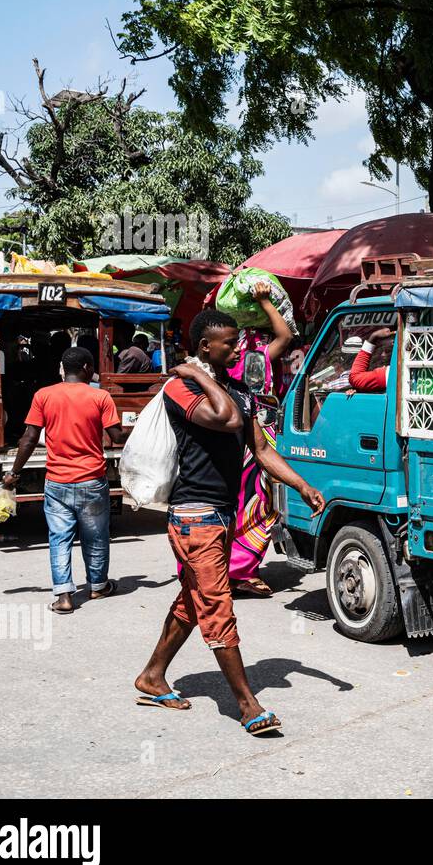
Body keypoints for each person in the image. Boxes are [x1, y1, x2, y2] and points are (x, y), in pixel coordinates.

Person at [135, 309, 325, 735]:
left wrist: (302, 485)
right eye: (228, 341)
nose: (237, 346)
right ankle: (248, 705)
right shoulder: (181, 387)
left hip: (223, 514)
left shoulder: (238, 390)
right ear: (205, 346)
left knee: (193, 600)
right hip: (194, 515)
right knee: (217, 607)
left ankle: (152, 675)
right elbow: (226, 420)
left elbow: (260, 449)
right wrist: (201, 376)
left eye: (237, 338)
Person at [3, 347, 126, 614]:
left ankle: (64, 596)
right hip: (92, 479)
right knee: (96, 536)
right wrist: (140, 431)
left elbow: (29, 438)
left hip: (57, 480)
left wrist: (14, 472)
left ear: (63, 367)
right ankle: (98, 586)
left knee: (59, 538)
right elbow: (117, 437)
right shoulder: (101, 396)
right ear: (87, 368)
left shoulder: (44, 395)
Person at [217, 281, 295, 597]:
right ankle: (239, 570)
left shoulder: (224, 365)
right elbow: (286, 336)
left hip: (238, 438)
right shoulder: (251, 360)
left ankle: (228, 568)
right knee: (259, 503)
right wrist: (264, 300)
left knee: (243, 503)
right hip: (256, 438)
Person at [347, 327, 394, 393]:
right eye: (381, 350)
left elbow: (355, 378)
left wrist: (374, 336)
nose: (382, 355)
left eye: (387, 351)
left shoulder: (391, 372)